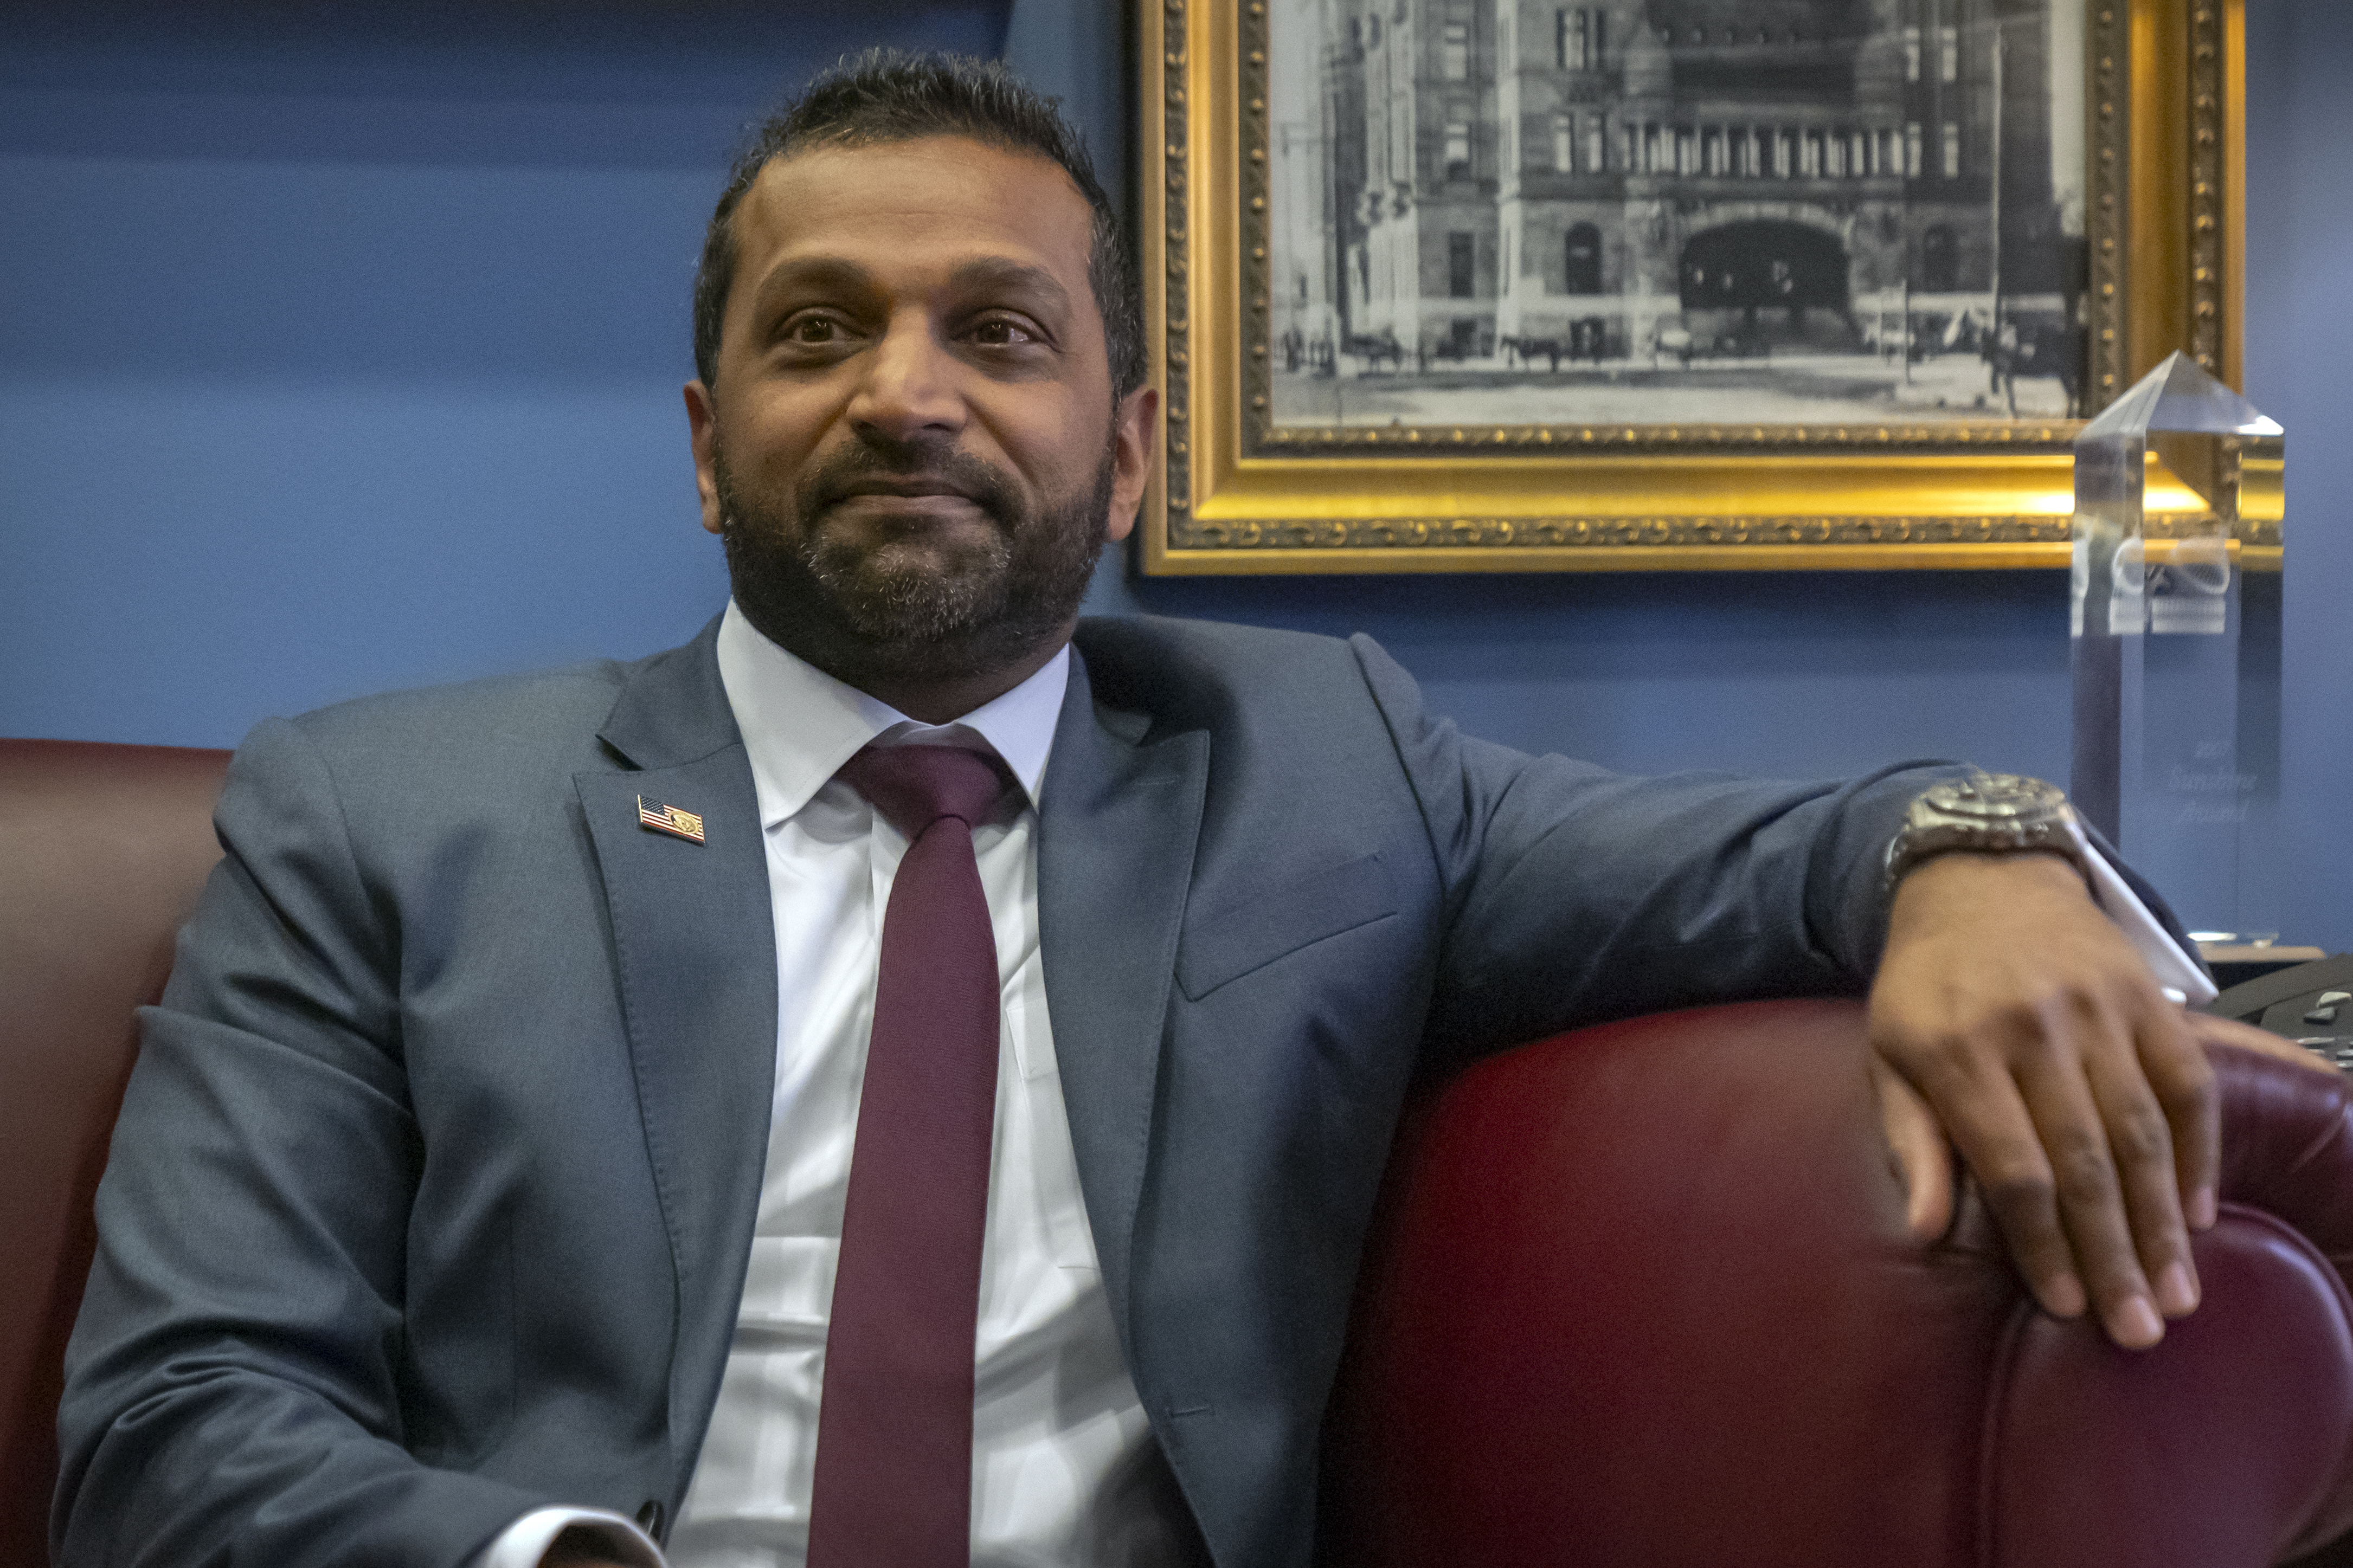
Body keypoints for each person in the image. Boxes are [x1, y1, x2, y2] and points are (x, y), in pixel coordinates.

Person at [53, 50, 2332, 1568]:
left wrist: (1984, 850)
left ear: (1128, 450)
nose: (905, 394)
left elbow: (1776, 850)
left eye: (998, 332)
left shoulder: (1322, 762)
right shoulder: (379, 812)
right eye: (818, 329)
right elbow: (172, 1423)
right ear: (699, 433)